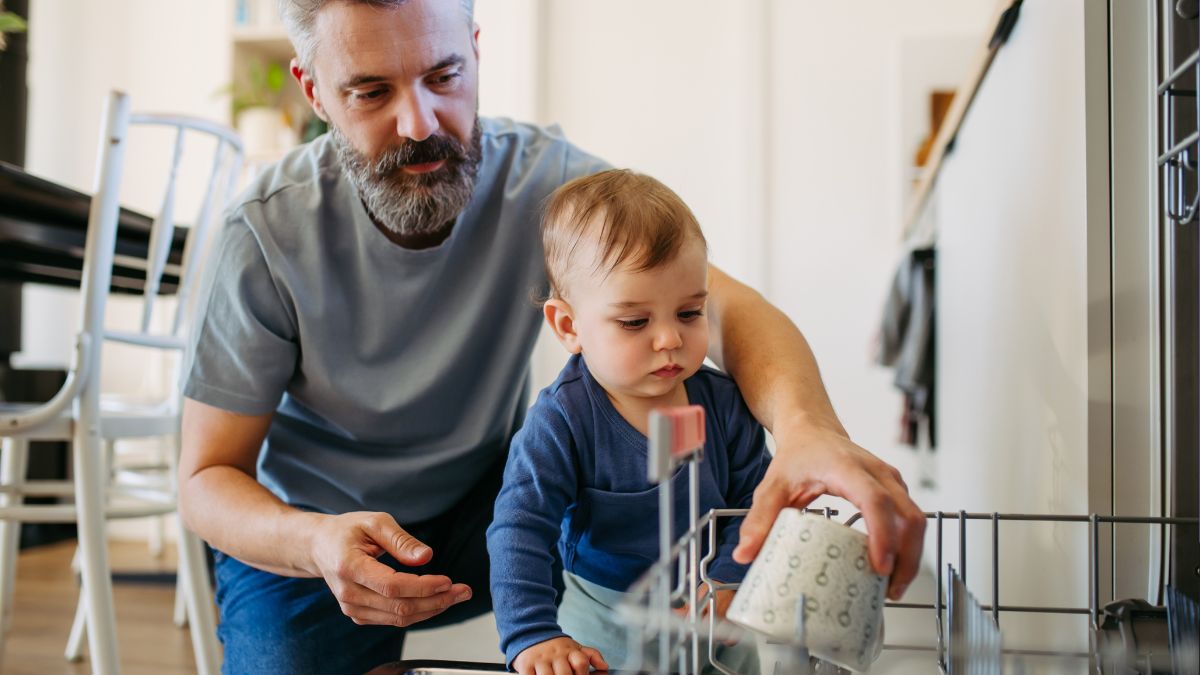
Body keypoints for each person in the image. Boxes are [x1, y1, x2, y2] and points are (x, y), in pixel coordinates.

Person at [177, 0, 925, 672]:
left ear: (475, 49)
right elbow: (206, 480)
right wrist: (313, 543)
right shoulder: (265, 236)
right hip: (310, 533)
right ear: (314, 90)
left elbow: (729, 308)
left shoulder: (544, 183)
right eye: (371, 92)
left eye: (444, 76)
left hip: (486, 502)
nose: (420, 122)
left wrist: (807, 430)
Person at [487, 169, 768, 674]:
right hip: (603, 628)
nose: (669, 339)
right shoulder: (560, 421)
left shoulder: (724, 405)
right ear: (569, 327)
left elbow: (755, 505)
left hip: (714, 622)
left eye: (689, 313)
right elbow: (519, 529)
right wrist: (532, 634)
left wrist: (725, 581)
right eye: (635, 322)